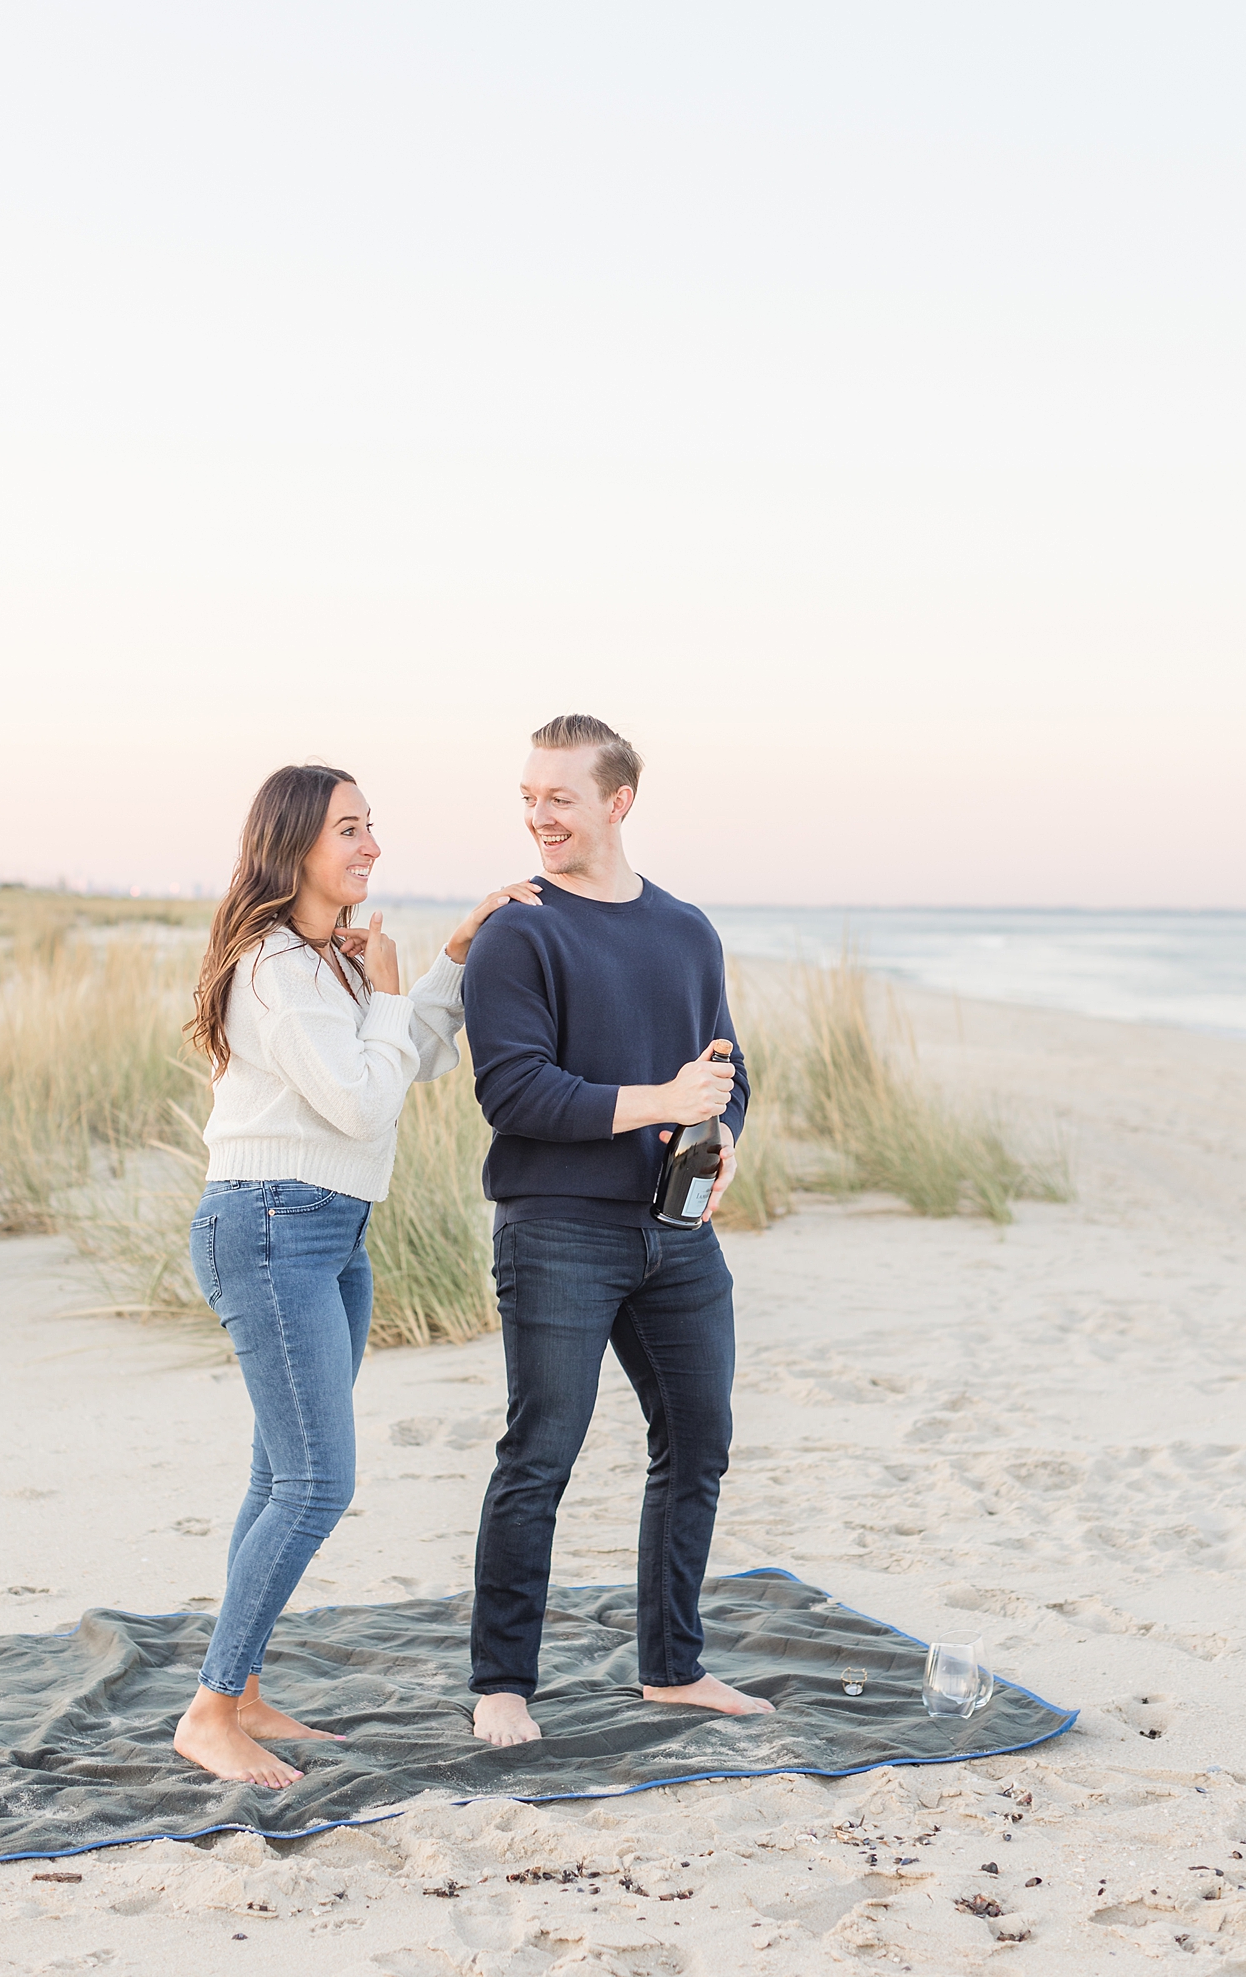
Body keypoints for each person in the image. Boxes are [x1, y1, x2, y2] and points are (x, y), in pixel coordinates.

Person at [172, 762, 537, 1785]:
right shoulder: (277, 969)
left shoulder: (321, 958)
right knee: (317, 1483)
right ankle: (209, 1712)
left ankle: (238, 1690)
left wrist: (455, 954)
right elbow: (362, 1104)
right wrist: (380, 991)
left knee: (276, 1476)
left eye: (372, 827)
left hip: (327, 1233)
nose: (371, 846)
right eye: (349, 831)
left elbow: (405, 1055)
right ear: (292, 848)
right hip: (272, 1224)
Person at [461, 714, 774, 1745]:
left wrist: (718, 1129)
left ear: (617, 802)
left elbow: (723, 1068)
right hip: (556, 1232)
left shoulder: (686, 929)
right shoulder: (519, 930)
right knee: (540, 1453)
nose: (539, 817)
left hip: (676, 1232)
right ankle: (503, 1683)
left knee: (699, 1444)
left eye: (560, 798)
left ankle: (673, 1668)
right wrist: (663, 1097)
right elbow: (514, 1093)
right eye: (529, 798)